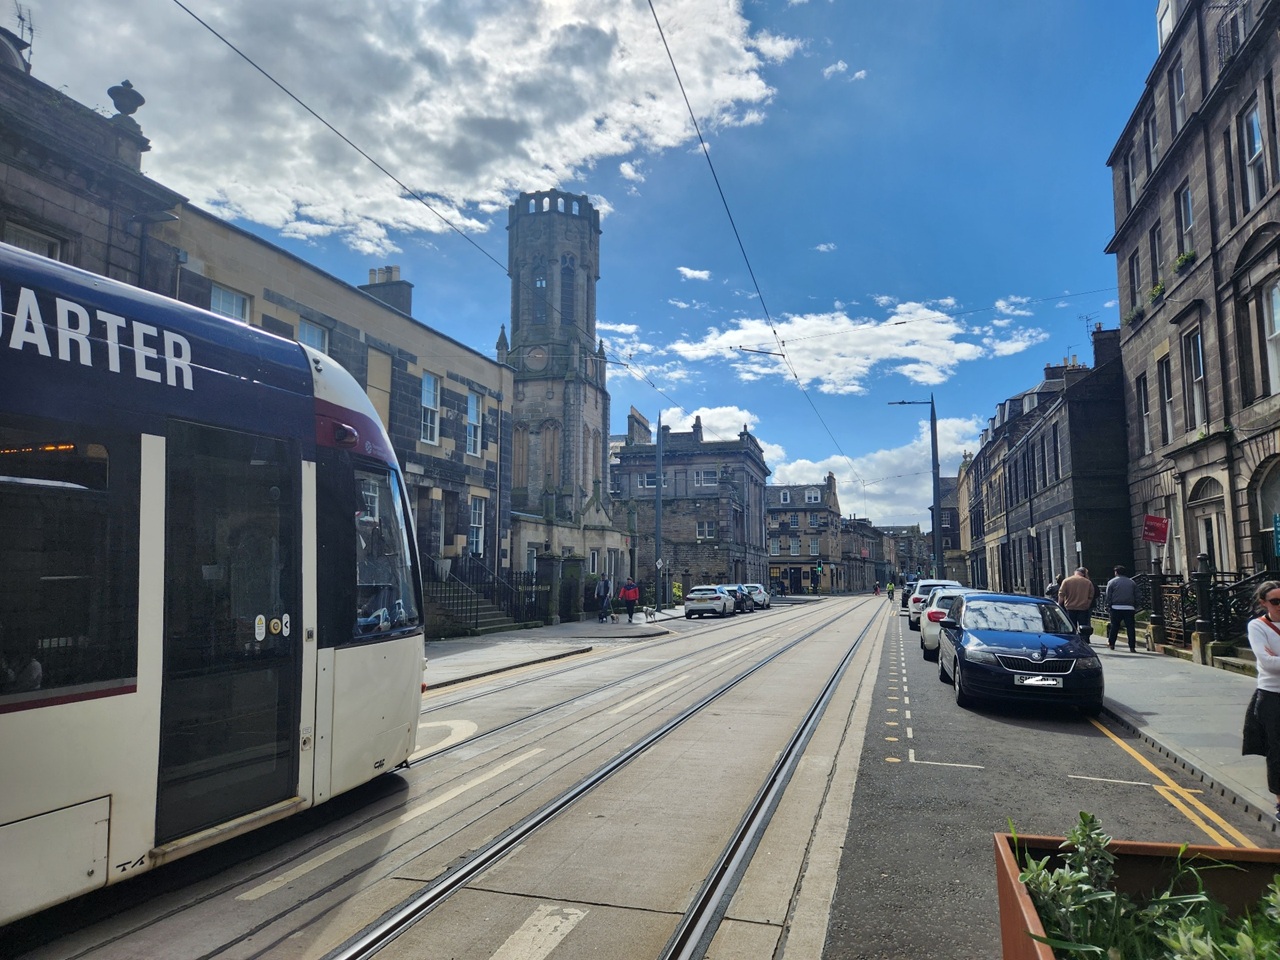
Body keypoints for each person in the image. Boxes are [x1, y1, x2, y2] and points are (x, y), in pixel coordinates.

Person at [1243, 581, 1280, 823]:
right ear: (1263, 603)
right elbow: (1267, 663)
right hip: (1272, 697)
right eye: (1276, 601)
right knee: (1277, 751)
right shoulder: (1258, 626)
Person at [1104, 565, 1139, 652]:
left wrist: (1108, 605)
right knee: (1130, 628)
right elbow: (1137, 595)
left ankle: (1111, 643)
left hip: (1116, 607)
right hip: (1129, 608)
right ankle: (1132, 646)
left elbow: (1108, 595)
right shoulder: (1132, 582)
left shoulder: (1112, 582)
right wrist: (1136, 606)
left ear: (1116, 572)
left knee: (1114, 626)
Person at [1056, 567, 1096, 641]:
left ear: (1075, 572)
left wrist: (1059, 605)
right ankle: (1084, 640)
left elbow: (1061, 594)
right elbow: (1091, 595)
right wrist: (1088, 604)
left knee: (1071, 626)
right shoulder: (1088, 582)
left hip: (1070, 607)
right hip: (1083, 607)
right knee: (1083, 625)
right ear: (1083, 574)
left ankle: (1072, 639)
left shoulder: (1066, 581)